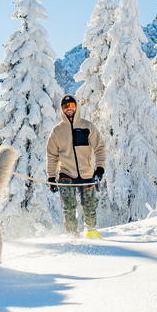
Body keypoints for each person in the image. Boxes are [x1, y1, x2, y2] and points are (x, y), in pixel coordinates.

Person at [46, 95, 106, 237]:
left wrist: (100, 168)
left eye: (71, 105)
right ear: (62, 110)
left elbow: (99, 147)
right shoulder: (57, 131)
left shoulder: (87, 126)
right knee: (69, 206)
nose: (69, 109)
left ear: (76, 106)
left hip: (87, 173)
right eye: (65, 106)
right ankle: (72, 236)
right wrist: (51, 176)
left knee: (90, 206)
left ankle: (91, 233)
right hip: (66, 174)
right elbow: (52, 156)